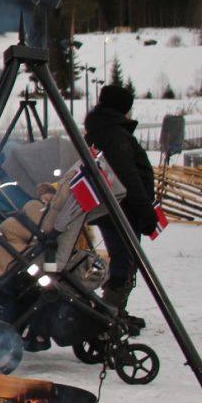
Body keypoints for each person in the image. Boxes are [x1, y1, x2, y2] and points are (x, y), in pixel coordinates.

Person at [82, 84, 157, 308]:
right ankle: (111, 314)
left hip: (111, 208)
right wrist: (145, 211)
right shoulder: (116, 135)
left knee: (122, 260)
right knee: (124, 263)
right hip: (123, 209)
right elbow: (128, 176)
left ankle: (114, 312)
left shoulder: (101, 131)